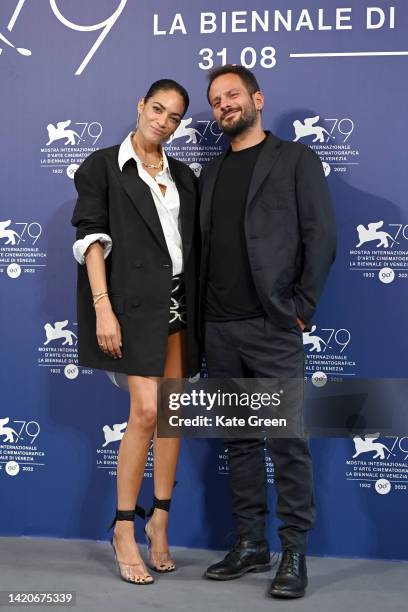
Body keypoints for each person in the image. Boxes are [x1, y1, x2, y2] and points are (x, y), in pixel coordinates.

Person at [200, 65, 336, 598]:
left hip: (273, 326)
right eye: (215, 100)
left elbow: (320, 236)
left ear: (257, 98)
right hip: (219, 329)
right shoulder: (209, 173)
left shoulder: (296, 158)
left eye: (232, 95)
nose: (224, 105)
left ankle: (294, 552)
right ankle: (251, 543)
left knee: (285, 441)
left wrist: (300, 307)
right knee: (238, 442)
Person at [71, 79, 200, 585]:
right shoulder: (101, 166)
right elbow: (91, 240)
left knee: (171, 415)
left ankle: (160, 522)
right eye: (158, 110)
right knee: (145, 411)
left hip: (179, 306)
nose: (163, 122)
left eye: (173, 117)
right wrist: (104, 308)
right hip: (129, 306)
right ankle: (124, 526)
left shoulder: (185, 175)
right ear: (140, 106)